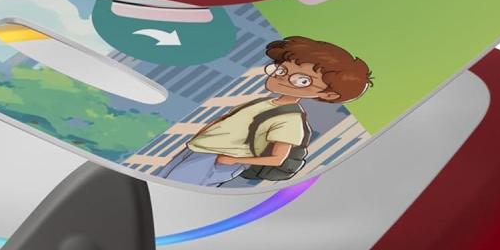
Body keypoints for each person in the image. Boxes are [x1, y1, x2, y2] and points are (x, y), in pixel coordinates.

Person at [158, 36, 373, 186]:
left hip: (216, 159)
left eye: (301, 80)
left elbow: (277, 158)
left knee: (171, 194)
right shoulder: (264, 103)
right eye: (281, 70)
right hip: (197, 150)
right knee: (164, 184)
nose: (281, 78)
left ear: (328, 95)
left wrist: (232, 160)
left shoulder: (290, 119)